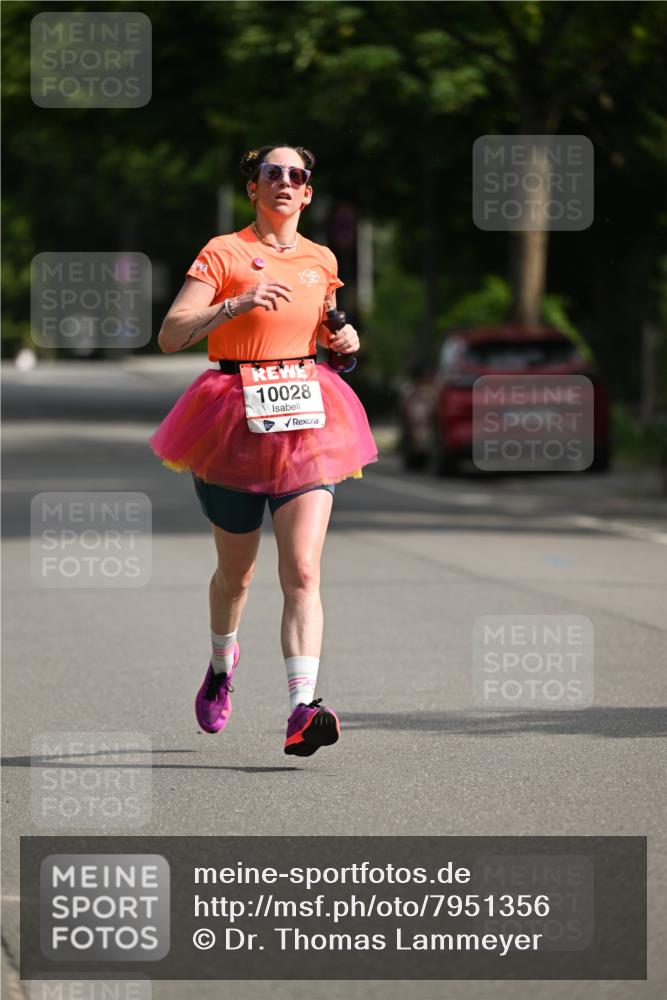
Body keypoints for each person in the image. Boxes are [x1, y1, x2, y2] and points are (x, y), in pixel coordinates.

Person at [150, 143, 378, 756]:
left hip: (306, 416)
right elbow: (170, 335)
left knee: (302, 570)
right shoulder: (223, 252)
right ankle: (221, 664)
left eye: (296, 175)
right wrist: (236, 302)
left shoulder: (320, 258)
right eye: (271, 173)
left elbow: (327, 329)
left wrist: (346, 345)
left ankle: (303, 707)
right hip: (231, 417)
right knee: (237, 575)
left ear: (308, 192)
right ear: (253, 188)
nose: (284, 182)